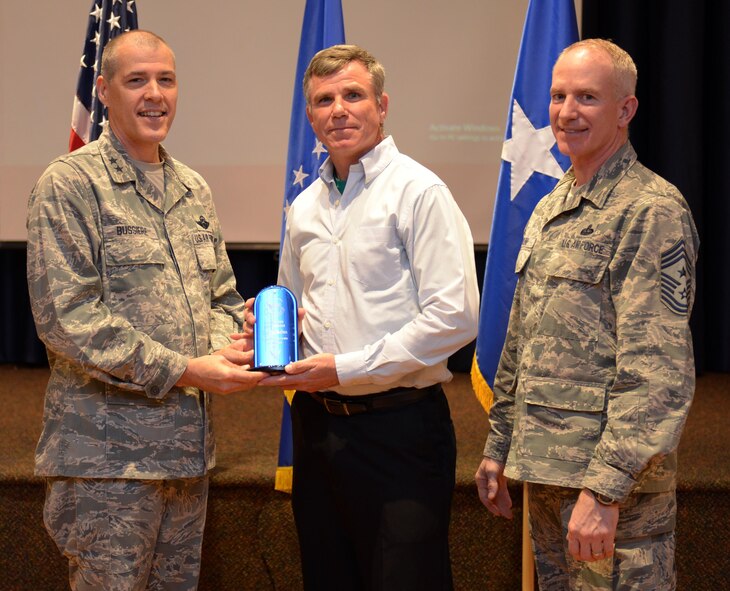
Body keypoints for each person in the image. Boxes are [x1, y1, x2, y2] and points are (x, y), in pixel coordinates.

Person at [26, 30, 266, 590]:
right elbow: (69, 318)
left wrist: (243, 336)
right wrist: (187, 369)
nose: (154, 94)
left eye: (166, 79)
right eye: (136, 81)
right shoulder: (69, 185)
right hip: (107, 463)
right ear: (105, 92)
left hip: (186, 458)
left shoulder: (193, 188)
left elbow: (222, 298)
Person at [475, 39, 699, 590]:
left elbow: (658, 373)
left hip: (611, 498)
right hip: (547, 477)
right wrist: (499, 445)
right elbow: (522, 343)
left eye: (587, 97)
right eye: (558, 96)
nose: (566, 112)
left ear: (626, 110)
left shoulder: (651, 210)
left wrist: (604, 491)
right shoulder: (553, 204)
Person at [254, 45, 479, 590]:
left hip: (399, 431)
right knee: (329, 579)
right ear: (310, 116)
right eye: (324, 99)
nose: (339, 109)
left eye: (353, 95)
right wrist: (266, 332)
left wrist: (348, 369)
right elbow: (291, 302)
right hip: (317, 431)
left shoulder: (418, 192)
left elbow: (455, 316)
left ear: (382, 105)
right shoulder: (304, 206)